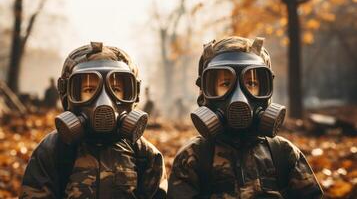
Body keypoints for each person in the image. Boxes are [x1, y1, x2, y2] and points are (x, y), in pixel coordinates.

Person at [168, 36, 323, 198]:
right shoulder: (194, 156)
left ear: (265, 89)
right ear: (205, 93)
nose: (239, 96)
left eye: (252, 83)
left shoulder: (283, 153)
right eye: (225, 84)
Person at [20, 42, 167, 199]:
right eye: (89, 90)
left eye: (116, 90)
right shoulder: (53, 149)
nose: (104, 101)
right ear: (68, 94)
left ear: (132, 94)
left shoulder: (144, 154)